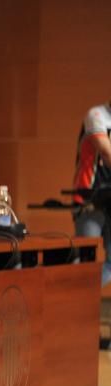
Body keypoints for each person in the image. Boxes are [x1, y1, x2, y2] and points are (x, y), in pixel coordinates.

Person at [72, 100, 111, 287]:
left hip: (110, 200)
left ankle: (82, 297)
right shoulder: (96, 114)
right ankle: (76, 300)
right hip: (89, 199)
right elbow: (106, 152)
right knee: (87, 260)